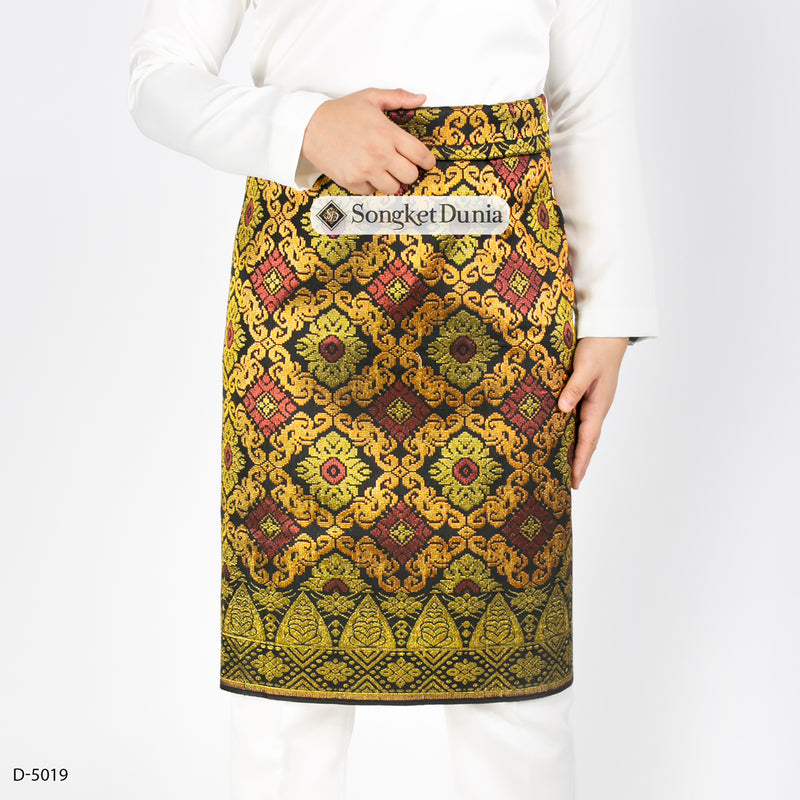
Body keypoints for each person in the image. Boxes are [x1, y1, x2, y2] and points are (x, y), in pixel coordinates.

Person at [128, 1, 658, 798]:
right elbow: (156, 77)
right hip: (307, 303)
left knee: (514, 684)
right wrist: (301, 125)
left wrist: (611, 313)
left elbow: (587, 101)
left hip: (501, 302)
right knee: (284, 698)